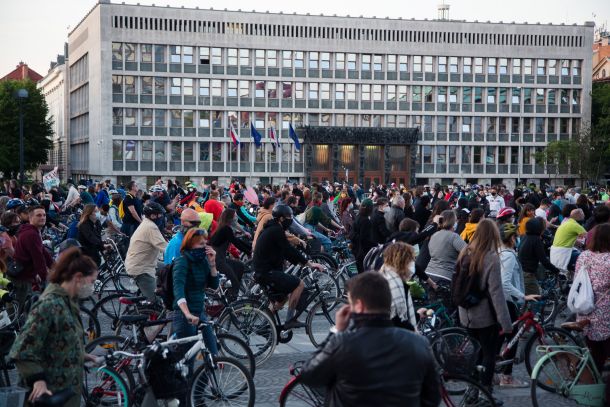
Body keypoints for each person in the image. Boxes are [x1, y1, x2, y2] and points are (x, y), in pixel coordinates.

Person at [299, 272, 440, 407]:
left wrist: (336, 331)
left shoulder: (343, 343)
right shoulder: (419, 343)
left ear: (359, 305)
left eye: (350, 303)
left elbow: (309, 375)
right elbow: (433, 396)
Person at [9, 247, 98, 407]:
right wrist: (37, 380)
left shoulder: (68, 302)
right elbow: (22, 350)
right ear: (78, 277)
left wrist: (81, 354)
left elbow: (56, 340)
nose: (92, 287)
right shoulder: (50, 305)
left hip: (65, 391)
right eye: (92, 281)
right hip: (51, 394)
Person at [456, 219, 512, 401]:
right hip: (484, 315)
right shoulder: (491, 258)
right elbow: (496, 293)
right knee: (488, 354)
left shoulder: (465, 251)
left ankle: (471, 390)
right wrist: (506, 322)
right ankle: (485, 393)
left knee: (475, 352)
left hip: (465, 313)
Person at [252, 204, 324, 329]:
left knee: (281, 300)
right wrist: (309, 263)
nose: (290, 219)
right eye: (288, 217)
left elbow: (283, 250)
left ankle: (264, 326)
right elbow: (288, 250)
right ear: (281, 219)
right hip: (267, 272)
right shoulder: (276, 230)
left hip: (263, 271)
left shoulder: (272, 228)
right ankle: (290, 320)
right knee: (299, 284)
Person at [498, 223, 539, 387]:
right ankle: (506, 377)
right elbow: (504, 282)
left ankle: (494, 373)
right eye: (516, 237)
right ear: (511, 238)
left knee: (500, 338)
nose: (518, 239)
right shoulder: (508, 255)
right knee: (512, 339)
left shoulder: (499, 252)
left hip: (501, 300)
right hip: (507, 301)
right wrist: (523, 295)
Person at [573, 223, 610, 403]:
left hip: (585, 312)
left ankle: (590, 392)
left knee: (595, 356)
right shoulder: (609, 260)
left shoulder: (583, 256)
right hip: (605, 316)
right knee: (601, 355)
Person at [172, 228, 219, 355]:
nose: (205, 247)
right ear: (191, 244)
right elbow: (178, 289)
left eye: (206, 243)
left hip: (199, 312)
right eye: (201, 244)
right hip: (184, 316)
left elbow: (214, 285)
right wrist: (187, 313)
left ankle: (206, 375)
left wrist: (213, 264)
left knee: (213, 352)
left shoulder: (202, 261)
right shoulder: (182, 261)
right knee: (188, 359)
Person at [12, 206, 54, 309]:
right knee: (18, 313)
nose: (43, 217)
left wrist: (56, 267)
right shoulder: (31, 234)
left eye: (44, 215)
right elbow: (38, 259)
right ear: (30, 218)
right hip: (22, 278)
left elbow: (43, 252)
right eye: (38, 215)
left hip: (25, 275)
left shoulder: (33, 231)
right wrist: (45, 278)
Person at [125, 202, 168, 301]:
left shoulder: (147, 223)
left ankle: (162, 287)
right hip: (142, 268)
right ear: (153, 216)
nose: (161, 217)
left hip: (142, 262)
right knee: (157, 301)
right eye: (160, 214)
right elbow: (164, 247)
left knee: (167, 268)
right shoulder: (151, 227)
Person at [209, 208, 251, 300]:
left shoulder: (223, 227)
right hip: (218, 260)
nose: (236, 218)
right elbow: (236, 242)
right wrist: (250, 251)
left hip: (220, 258)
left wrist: (250, 249)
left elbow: (236, 239)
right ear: (230, 218)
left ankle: (228, 293)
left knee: (240, 266)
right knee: (234, 282)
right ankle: (232, 303)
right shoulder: (226, 229)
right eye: (235, 216)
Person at [379, 242, 417, 330]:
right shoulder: (396, 286)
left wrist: (417, 315)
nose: (413, 263)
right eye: (411, 260)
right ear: (403, 261)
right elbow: (399, 322)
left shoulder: (384, 275)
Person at [518, 217, 560, 294]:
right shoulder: (536, 240)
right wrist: (556, 270)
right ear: (539, 229)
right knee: (537, 297)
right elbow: (544, 260)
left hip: (521, 271)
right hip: (528, 275)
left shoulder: (524, 236)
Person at [426, 210, 467, 282]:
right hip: (445, 276)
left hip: (428, 273)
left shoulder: (434, 235)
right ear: (453, 222)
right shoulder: (454, 236)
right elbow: (468, 252)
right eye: (456, 220)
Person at [351, 199, 376, 274]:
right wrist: (376, 245)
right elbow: (365, 239)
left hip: (356, 248)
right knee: (364, 271)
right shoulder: (366, 221)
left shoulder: (358, 216)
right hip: (363, 251)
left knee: (360, 270)